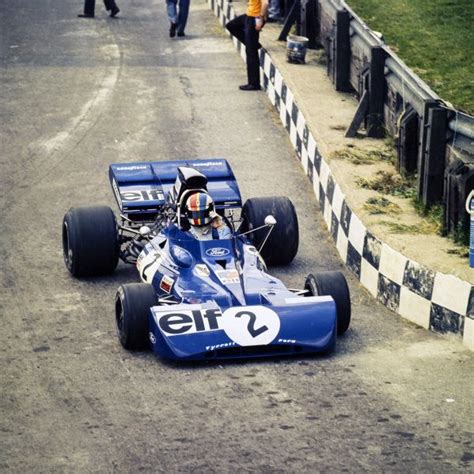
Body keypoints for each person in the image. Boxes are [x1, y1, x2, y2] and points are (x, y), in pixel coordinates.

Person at [225, 0, 269, 91]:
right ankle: (254, 44)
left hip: (254, 18)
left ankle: (254, 84)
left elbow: (265, 3)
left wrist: (260, 18)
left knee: (251, 53)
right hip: (248, 16)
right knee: (231, 26)